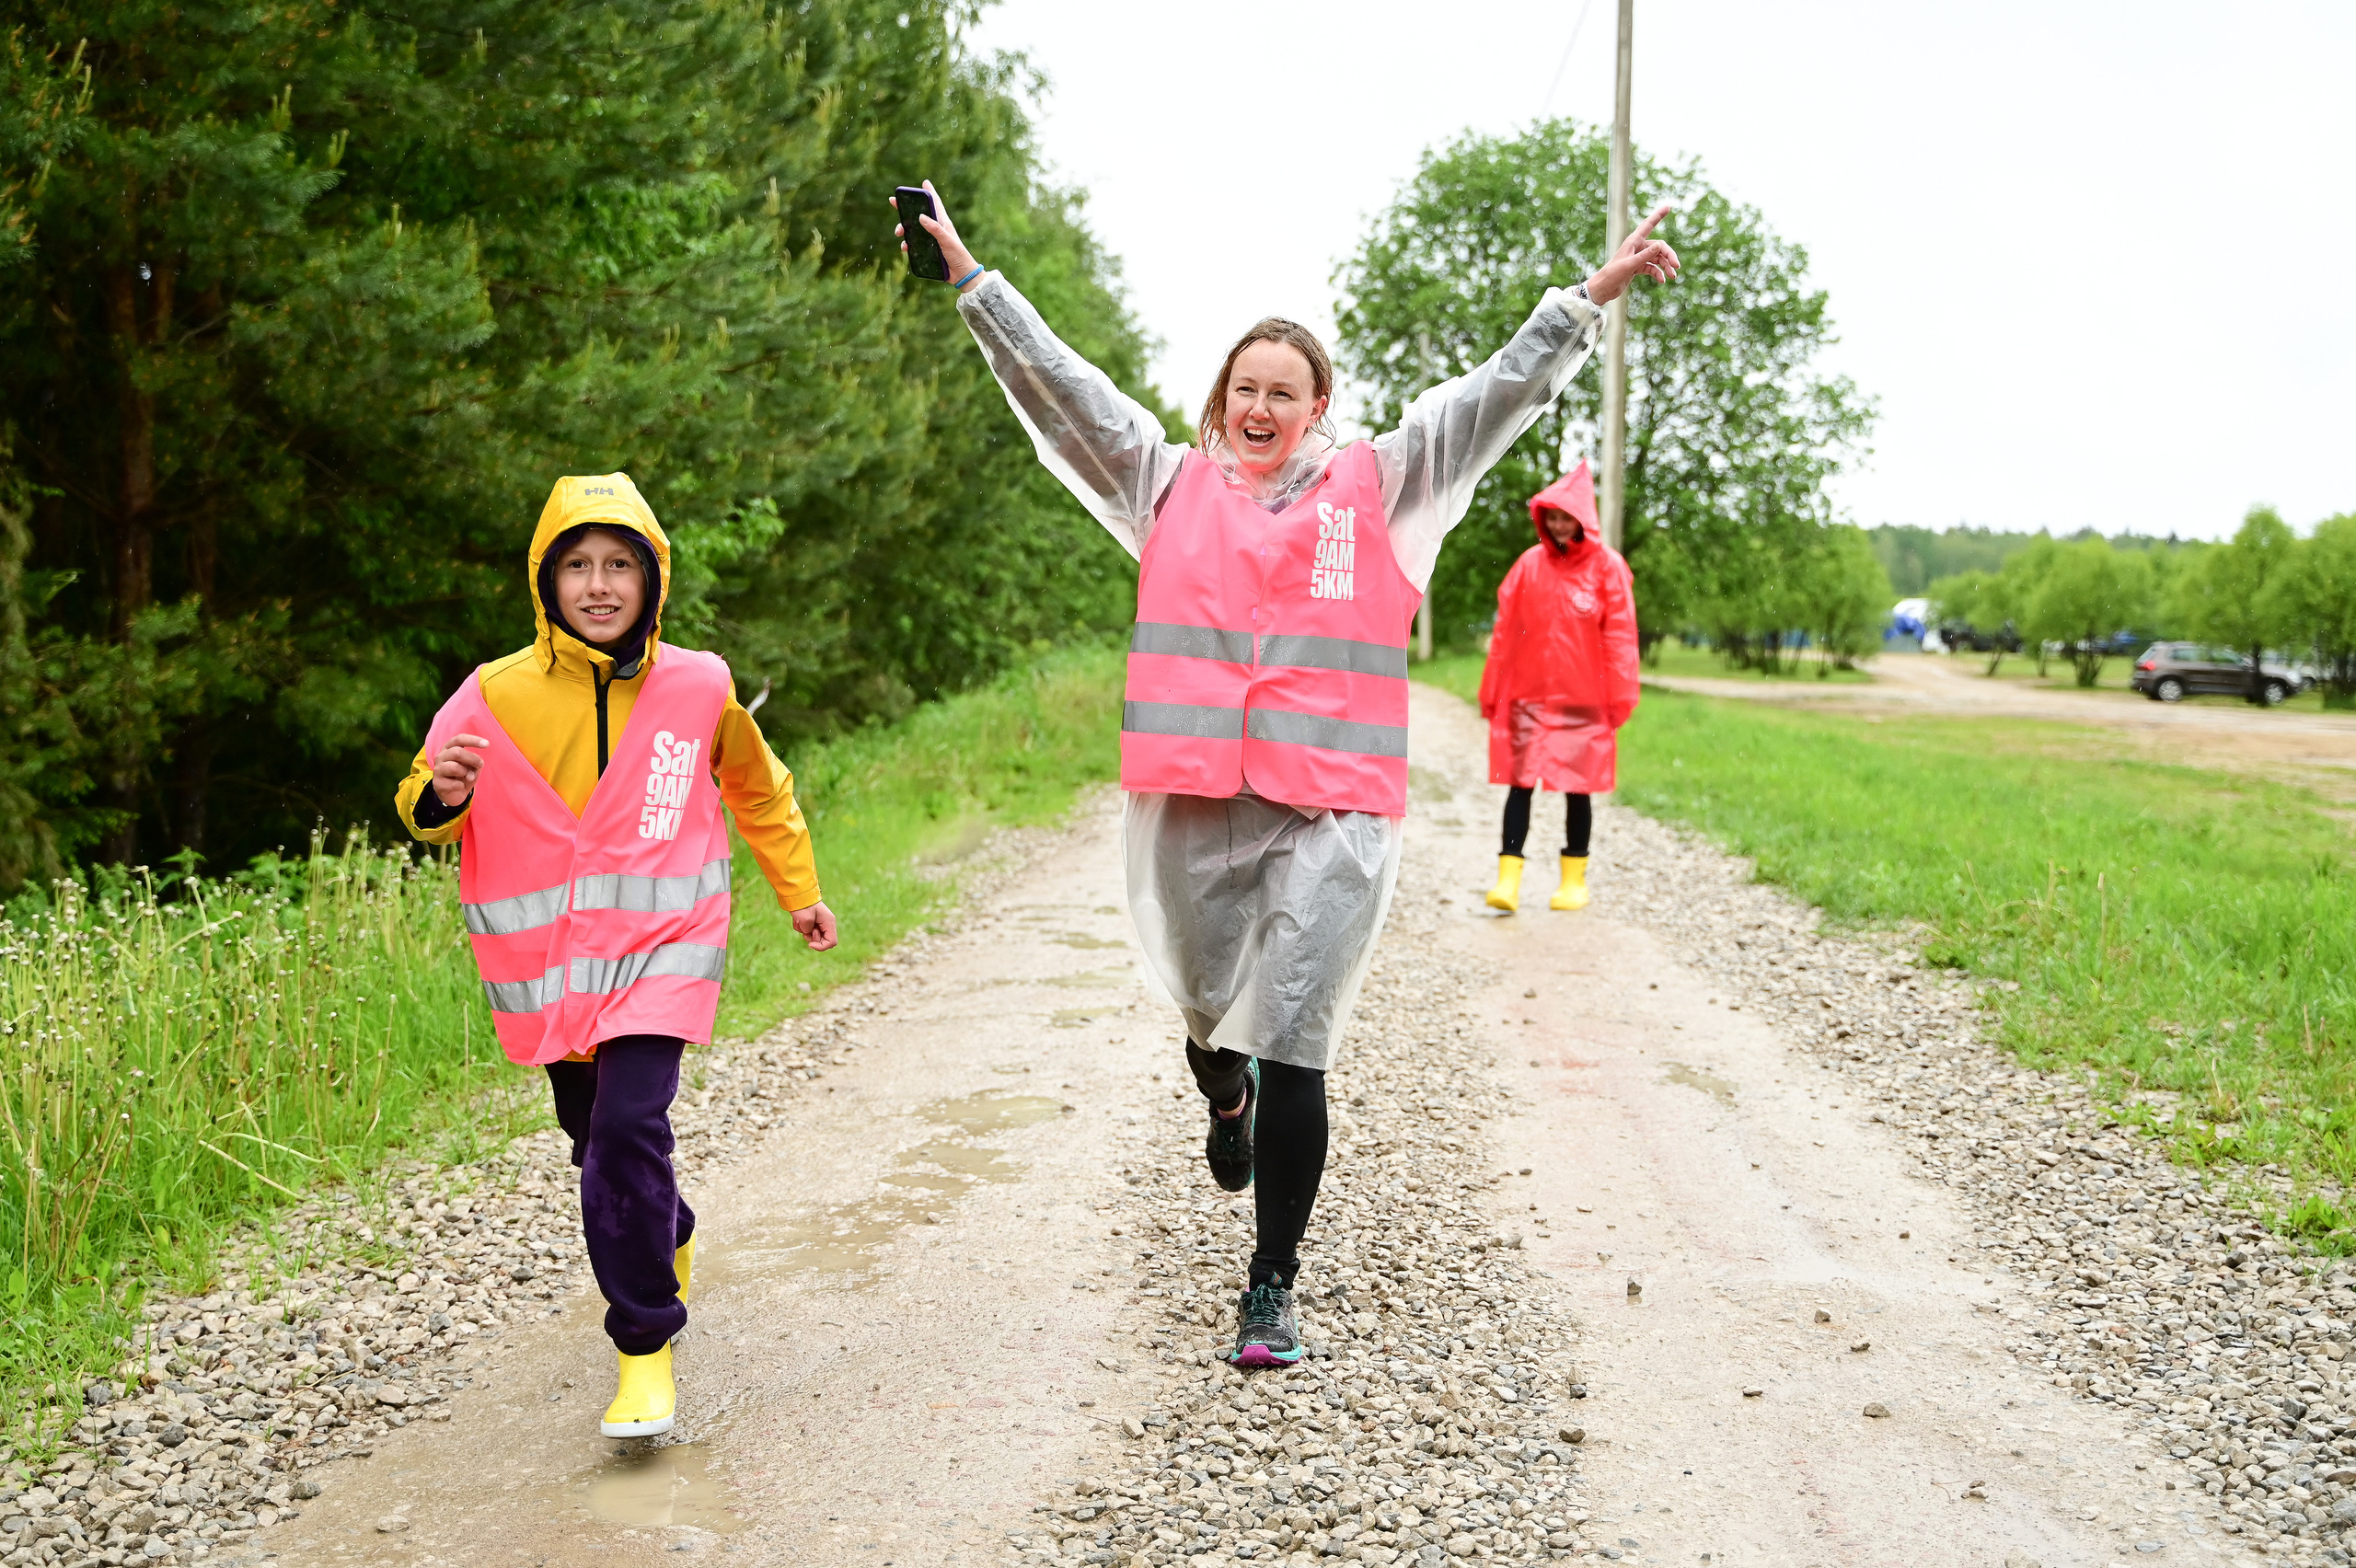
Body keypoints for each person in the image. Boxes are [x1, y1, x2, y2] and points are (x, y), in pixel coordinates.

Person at [895, 180, 1679, 1366]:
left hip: (1333, 811)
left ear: (1319, 407)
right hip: (1194, 801)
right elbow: (1060, 390)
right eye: (1244, 389)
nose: (1260, 407)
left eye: (1283, 391)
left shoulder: (1384, 486)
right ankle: (1224, 1091)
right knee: (1213, 1021)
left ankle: (1270, 1283)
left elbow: (1491, 398)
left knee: (1297, 1036)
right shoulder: (1161, 483)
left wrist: (1584, 303)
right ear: (1221, 401)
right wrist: (972, 280)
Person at [395, 474, 839, 1438]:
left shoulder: (699, 684)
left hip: (663, 949)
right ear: (545, 582)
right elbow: (426, 801)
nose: (598, 586)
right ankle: (665, 1227)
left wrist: (798, 889)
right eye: (577, 566)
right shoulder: (493, 692)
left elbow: (758, 787)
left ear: (652, 580)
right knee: (594, 1136)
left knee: (629, 1126)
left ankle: (644, 1348)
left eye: (619, 566)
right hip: (555, 971)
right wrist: (442, 794)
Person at [1477, 463, 1639, 913]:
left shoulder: (1607, 569)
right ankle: (1508, 879)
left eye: (1567, 517)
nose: (1559, 525)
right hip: (1528, 698)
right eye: (1552, 517)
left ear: (1583, 518)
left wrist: (1620, 695)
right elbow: (1505, 634)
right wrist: (1493, 690)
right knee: (1519, 785)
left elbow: (1620, 637)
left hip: (1583, 702)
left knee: (1578, 788)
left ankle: (1573, 881)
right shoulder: (1529, 565)